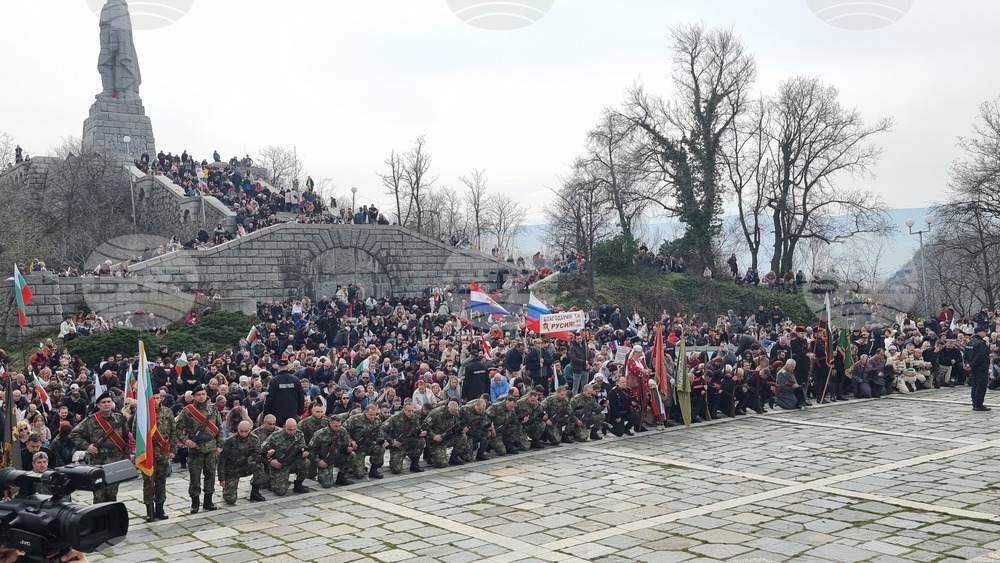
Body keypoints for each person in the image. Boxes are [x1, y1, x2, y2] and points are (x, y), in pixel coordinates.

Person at [69, 391, 130, 503]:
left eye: (108, 402)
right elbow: (74, 434)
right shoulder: (90, 420)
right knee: (99, 494)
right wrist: (87, 446)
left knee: (112, 493)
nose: (106, 404)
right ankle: (98, 519)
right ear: (98, 405)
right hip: (97, 461)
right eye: (103, 402)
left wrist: (126, 457)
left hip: (115, 461)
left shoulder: (119, 419)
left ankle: (111, 518)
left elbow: (127, 438)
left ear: (112, 403)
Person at [173, 385, 223, 514]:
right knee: (195, 476)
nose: (201, 397)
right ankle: (195, 503)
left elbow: (219, 427)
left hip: (211, 447)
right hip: (196, 448)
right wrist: (185, 441)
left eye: (203, 394)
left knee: (211, 474)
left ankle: (208, 501)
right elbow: (177, 429)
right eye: (198, 395)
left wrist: (219, 445)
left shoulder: (213, 409)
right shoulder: (188, 411)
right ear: (194, 396)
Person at [142, 392, 175, 522]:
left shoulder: (167, 412)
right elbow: (136, 432)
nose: (155, 400)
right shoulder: (143, 413)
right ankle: (149, 510)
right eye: (153, 398)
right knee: (148, 483)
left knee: (161, 481)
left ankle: (160, 509)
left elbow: (173, 431)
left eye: (157, 398)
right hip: (148, 453)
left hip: (162, 451)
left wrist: (172, 450)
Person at [217, 421, 265, 504]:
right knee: (230, 500)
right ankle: (227, 490)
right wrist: (221, 478)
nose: (243, 434)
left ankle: (255, 492)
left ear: (250, 430)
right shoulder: (230, 441)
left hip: (245, 467)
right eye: (241, 431)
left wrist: (265, 455)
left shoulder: (254, 439)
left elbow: (257, 455)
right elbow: (222, 460)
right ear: (238, 429)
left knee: (259, 466)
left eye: (246, 431)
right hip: (231, 471)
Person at [260, 418, 310, 496]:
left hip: (293, 462)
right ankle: (270, 480)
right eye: (289, 429)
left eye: (294, 429)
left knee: (306, 462)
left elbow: (302, 448)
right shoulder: (275, 436)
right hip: (279, 465)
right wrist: (270, 461)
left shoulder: (299, 434)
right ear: (284, 427)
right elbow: (260, 452)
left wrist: (304, 453)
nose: (292, 432)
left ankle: (298, 484)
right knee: (280, 492)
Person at [309, 414, 356, 487]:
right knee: (327, 484)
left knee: (352, 455)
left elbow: (347, 442)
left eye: (339, 425)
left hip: (337, 456)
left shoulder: (342, 431)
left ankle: (341, 476)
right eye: (336, 426)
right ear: (330, 423)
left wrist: (349, 448)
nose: (338, 428)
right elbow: (311, 450)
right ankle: (321, 474)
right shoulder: (319, 434)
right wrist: (318, 461)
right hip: (325, 460)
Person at [421, 399, 468, 468]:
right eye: (452, 412)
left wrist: (462, 429)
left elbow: (457, 426)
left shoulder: (455, 413)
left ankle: (454, 457)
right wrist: (433, 436)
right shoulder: (436, 413)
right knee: (442, 464)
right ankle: (431, 455)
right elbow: (425, 427)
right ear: (448, 408)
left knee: (463, 437)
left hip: (448, 437)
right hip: (436, 441)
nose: (453, 414)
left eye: (455, 412)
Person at [344, 405, 387, 480]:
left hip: (370, 445)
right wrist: (350, 441)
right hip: (357, 448)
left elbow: (380, 434)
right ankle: (351, 468)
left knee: (381, 448)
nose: (372, 417)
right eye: (370, 414)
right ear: (365, 412)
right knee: (359, 474)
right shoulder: (355, 419)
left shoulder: (377, 420)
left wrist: (382, 441)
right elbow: (343, 431)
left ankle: (374, 470)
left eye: (374, 414)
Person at [382, 402, 426, 474]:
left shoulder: (415, 417)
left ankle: (415, 464)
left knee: (421, 441)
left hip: (409, 441)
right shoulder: (395, 418)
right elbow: (382, 429)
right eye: (409, 411)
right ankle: (395, 460)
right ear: (404, 410)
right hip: (398, 443)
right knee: (396, 470)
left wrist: (420, 433)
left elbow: (417, 429)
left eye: (412, 410)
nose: (411, 413)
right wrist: (391, 441)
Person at [264, 358, 303, 424]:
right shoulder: (296, 380)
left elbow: (269, 398)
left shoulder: (274, 381)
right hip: (292, 413)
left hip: (277, 414)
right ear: (287, 367)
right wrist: (299, 412)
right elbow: (301, 397)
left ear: (278, 367)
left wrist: (266, 414)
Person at [966, 325, 991, 411]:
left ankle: (974, 403)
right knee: (981, 386)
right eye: (984, 331)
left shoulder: (970, 342)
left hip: (973, 368)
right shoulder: (981, 343)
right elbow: (980, 356)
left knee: (975, 385)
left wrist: (968, 365)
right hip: (981, 367)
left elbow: (966, 355)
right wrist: (972, 364)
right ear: (980, 332)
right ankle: (979, 404)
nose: (985, 333)